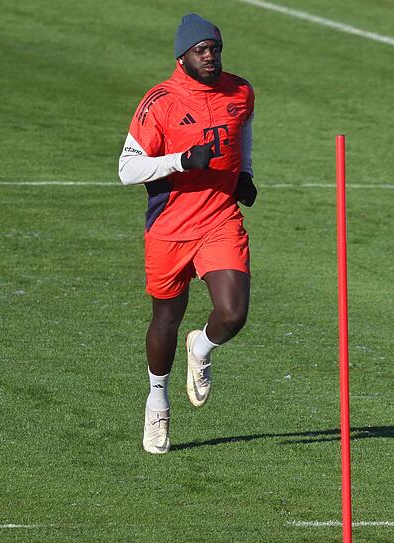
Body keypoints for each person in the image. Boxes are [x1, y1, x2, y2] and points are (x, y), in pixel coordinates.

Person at [118, 13, 258, 454]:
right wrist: (180, 160)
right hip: (171, 227)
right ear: (183, 57)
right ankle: (157, 400)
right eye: (202, 50)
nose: (211, 56)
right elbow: (127, 169)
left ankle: (202, 347)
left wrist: (246, 172)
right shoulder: (159, 101)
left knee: (233, 313)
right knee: (165, 320)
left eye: (215, 49)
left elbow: (243, 130)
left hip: (219, 218)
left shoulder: (240, 91)